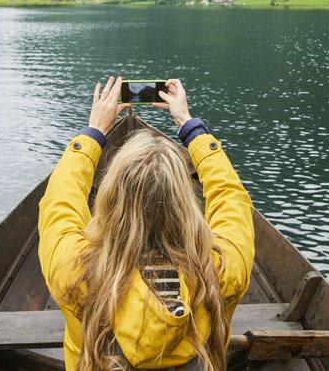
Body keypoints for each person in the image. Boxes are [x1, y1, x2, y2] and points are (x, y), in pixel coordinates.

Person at [38, 77, 254, 370]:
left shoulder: (73, 271)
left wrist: (94, 133)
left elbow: (59, 202)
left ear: (110, 200)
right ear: (185, 206)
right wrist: (189, 126)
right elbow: (231, 198)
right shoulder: (224, 269)